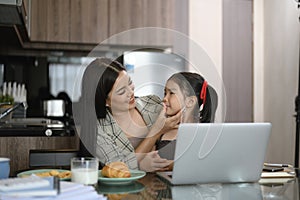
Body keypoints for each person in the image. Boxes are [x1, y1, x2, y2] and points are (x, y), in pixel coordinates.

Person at [74, 57, 181, 172]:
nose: (131, 93)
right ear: (105, 101)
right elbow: (118, 166)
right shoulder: (98, 131)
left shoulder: (153, 103)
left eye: (129, 83)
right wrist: (156, 132)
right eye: (121, 91)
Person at [155, 72, 218, 151]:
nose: (164, 98)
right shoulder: (162, 130)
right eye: (165, 93)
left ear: (190, 102)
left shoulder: (204, 135)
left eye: (171, 93)